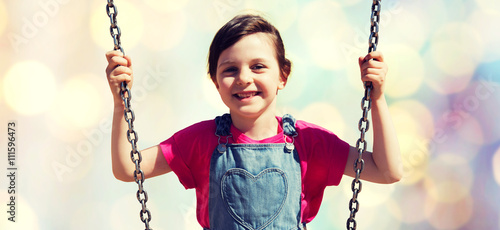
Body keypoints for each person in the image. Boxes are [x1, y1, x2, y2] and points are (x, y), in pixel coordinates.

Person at [105, 14, 401, 230]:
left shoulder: (309, 142)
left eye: (258, 66)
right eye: (230, 69)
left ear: (283, 75)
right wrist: (120, 105)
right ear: (216, 82)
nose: (244, 78)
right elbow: (128, 169)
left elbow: (387, 171)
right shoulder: (201, 140)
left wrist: (377, 99)